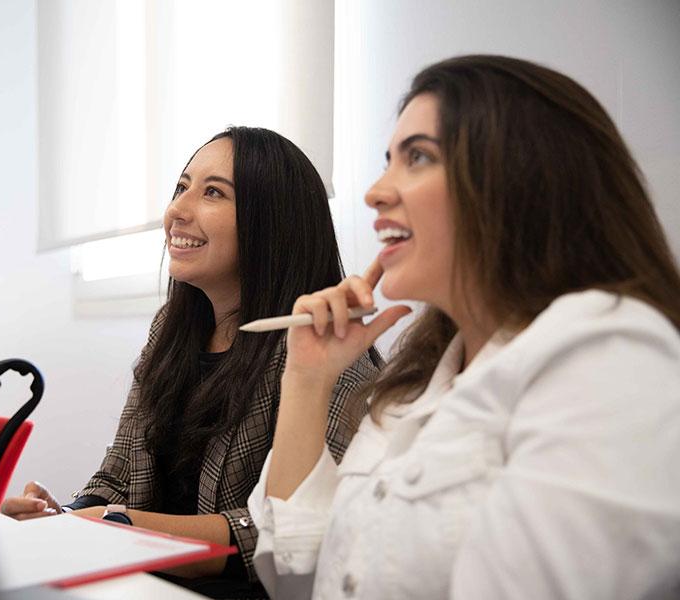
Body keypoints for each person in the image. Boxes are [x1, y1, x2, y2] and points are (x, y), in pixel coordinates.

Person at [248, 55, 680, 599]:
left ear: (522, 179)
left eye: (419, 157)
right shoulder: (414, 389)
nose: (376, 192)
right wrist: (306, 379)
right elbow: (299, 578)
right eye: (388, 160)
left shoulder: (606, 355)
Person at [0, 126, 382, 596]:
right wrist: (66, 518)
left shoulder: (324, 357)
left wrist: (119, 526)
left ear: (272, 221)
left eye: (213, 193)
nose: (176, 211)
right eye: (181, 187)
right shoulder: (173, 329)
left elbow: (279, 536)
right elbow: (119, 475)